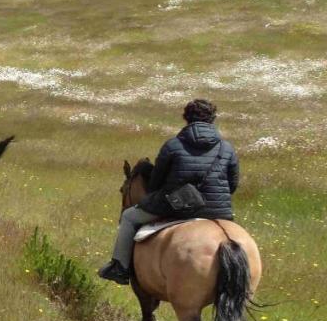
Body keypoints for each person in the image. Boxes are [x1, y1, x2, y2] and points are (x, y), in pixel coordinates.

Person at [98, 98, 241, 285]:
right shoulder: (226, 148)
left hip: (176, 207)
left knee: (129, 217)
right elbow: (232, 185)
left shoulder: (173, 145)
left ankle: (120, 268)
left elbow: (156, 183)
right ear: (212, 119)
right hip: (218, 211)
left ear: (186, 118)